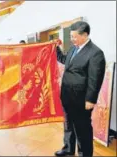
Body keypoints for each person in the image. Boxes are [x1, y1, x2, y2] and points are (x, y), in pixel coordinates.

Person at [55, 21, 106, 157]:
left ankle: (85, 154)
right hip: (66, 96)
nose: (72, 39)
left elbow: (95, 79)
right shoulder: (73, 48)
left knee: (82, 129)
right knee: (68, 125)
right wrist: (55, 49)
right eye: (71, 36)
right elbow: (65, 60)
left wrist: (90, 99)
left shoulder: (95, 53)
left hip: (81, 100)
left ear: (85, 35)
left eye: (74, 37)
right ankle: (68, 148)